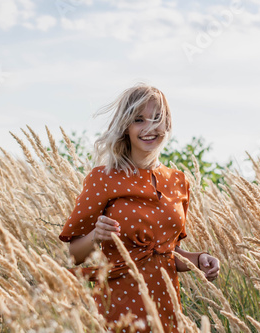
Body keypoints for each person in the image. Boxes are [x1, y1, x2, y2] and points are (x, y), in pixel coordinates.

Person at [59, 83, 220, 333]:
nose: (150, 128)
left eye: (157, 118)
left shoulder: (178, 181)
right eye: (139, 120)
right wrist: (95, 236)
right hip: (118, 309)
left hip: (166, 311)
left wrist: (199, 260)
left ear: (167, 125)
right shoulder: (103, 178)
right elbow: (74, 255)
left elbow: (168, 255)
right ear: (126, 127)